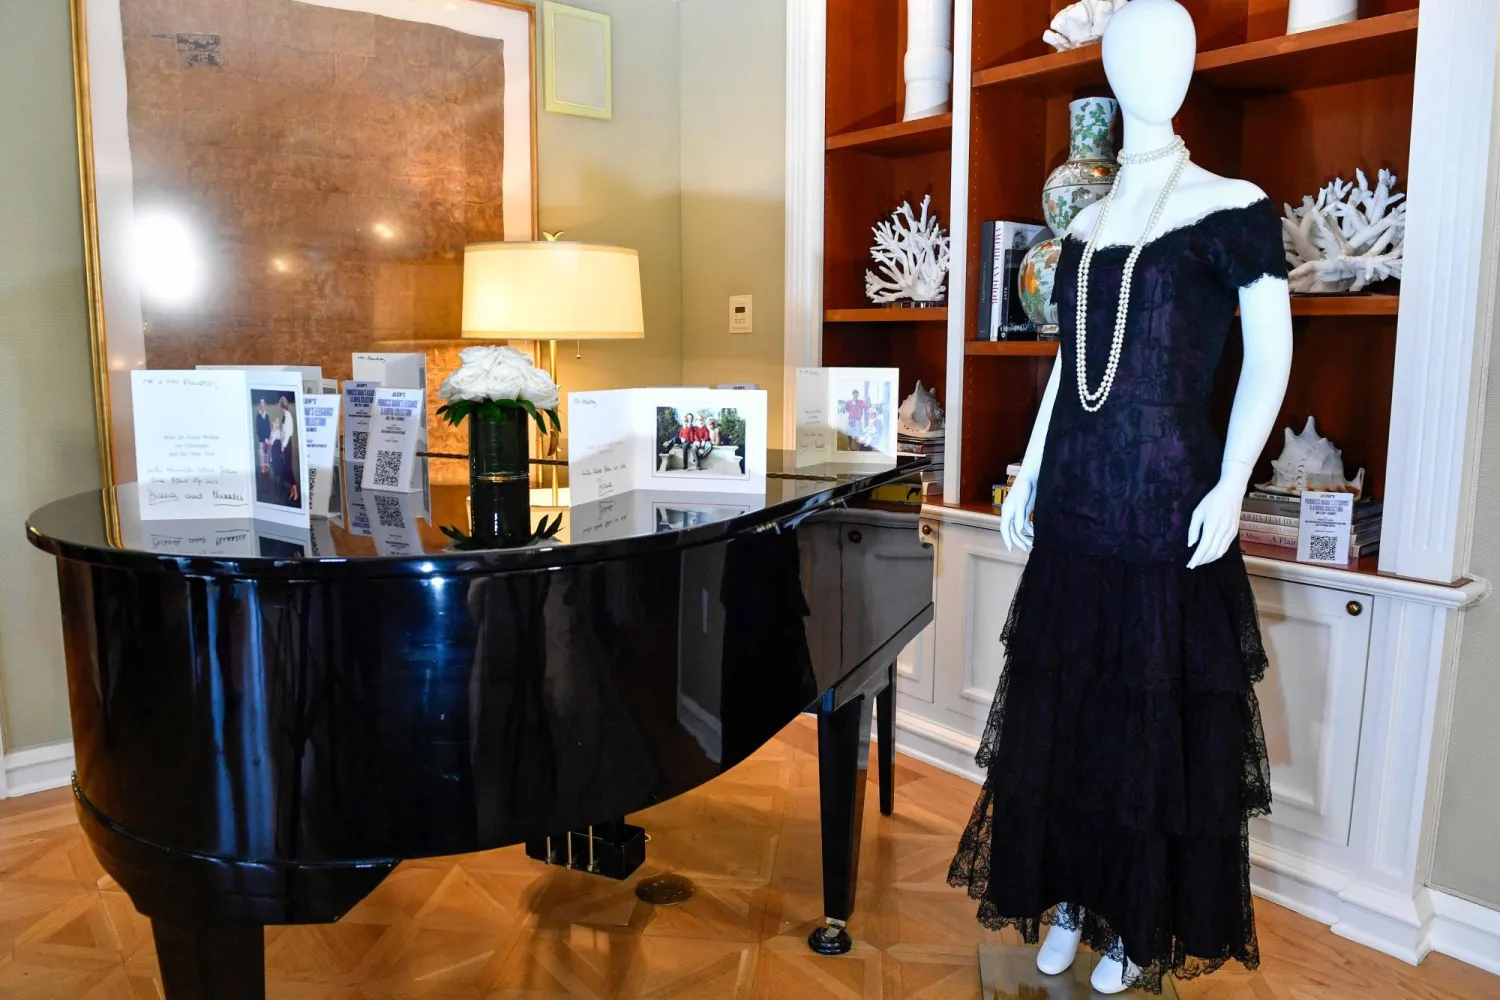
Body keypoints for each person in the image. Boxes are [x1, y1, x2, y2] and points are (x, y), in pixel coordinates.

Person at [946, 3, 1292, 994]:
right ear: (1109, 67)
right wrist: (1029, 466)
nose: (1155, 68)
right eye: (1137, 51)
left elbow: (1269, 357)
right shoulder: (1086, 222)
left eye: (1171, 49)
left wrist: (1233, 482)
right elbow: (1070, 365)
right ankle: (1067, 900)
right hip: (1078, 509)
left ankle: (1138, 922)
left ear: (1189, 65)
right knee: (1065, 724)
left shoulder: (1232, 205)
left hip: (1166, 513)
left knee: (1150, 729)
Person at [255, 398, 272, 472]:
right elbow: (258, 429)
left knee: (267, 453)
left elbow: (268, 427)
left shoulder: (267, 415)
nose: (262, 405)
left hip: (267, 438)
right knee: (261, 453)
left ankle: (266, 466)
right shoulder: (258, 416)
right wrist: (263, 438)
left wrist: (268, 437)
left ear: (265, 404)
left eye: (263, 403)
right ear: (260, 405)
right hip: (261, 439)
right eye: (261, 403)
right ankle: (263, 467)